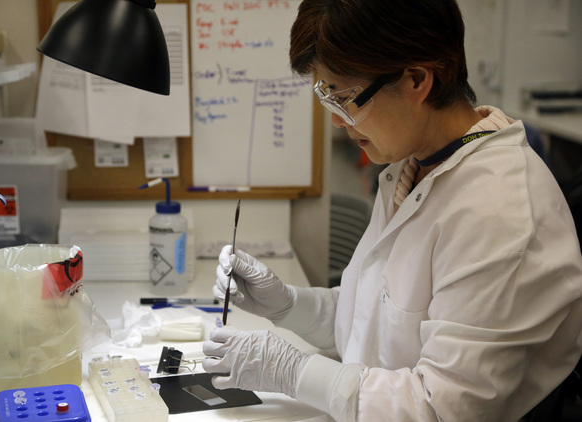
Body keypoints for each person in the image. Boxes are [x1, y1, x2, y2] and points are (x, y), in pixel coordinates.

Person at [201, 0, 582, 420]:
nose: (338, 121)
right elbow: (379, 325)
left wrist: (292, 372)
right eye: (325, 95)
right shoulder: (415, 162)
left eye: (343, 97)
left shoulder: (499, 213)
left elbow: (443, 408)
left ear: (417, 79)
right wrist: (289, 305)